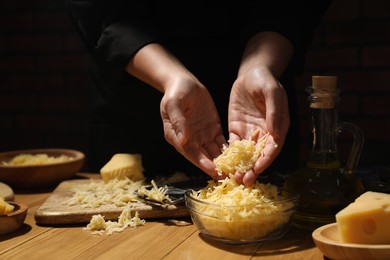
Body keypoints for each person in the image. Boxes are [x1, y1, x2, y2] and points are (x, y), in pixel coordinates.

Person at [66, 0, 332, 186]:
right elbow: (100, 11)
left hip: (255, 103)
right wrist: (172, 77)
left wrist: (259, 65)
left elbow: (293, 6)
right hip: (139, 93)